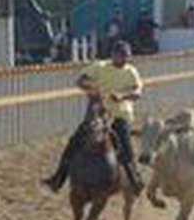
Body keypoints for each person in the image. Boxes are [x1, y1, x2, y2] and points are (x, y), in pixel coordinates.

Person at [43, 39, 144, 193]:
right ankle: (58, 179)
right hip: (98, 113)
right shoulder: (100, 67)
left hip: (119, 115)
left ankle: (134, 179)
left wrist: (122, 95)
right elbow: (80, 81)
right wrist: (92, 90)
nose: (123, 58)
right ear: (113, 55)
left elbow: (137, 93)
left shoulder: (131, 71)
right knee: (74, 142)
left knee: (126, 147)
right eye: (120, 55)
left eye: (126, 56)